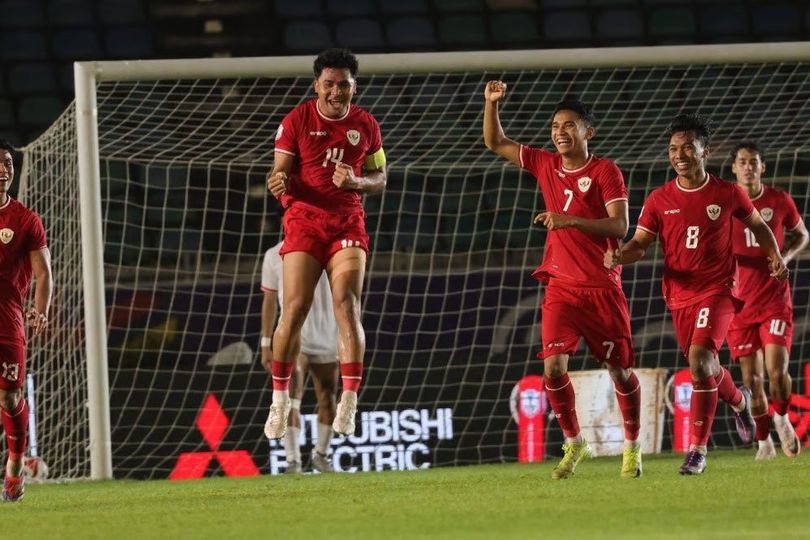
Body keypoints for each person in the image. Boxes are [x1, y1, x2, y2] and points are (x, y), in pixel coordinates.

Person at [604, 114, 787, 475]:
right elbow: (641, 244)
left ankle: (697, 451)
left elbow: (759, 226)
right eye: (673, 148)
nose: (680, 154)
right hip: (679, 294)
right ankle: (740, 400)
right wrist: (620, 254)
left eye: (688, 146)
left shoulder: (727, 192)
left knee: (700, 362)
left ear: (706, 150)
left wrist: (774, 255)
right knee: (709, 367)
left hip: (719, 290)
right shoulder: (659, 199)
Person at [483, 82, 643, 480]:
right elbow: (495, 142)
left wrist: (570, 220)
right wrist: (491, 104)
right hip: (561, 287)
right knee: (553, 368)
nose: (559, 132)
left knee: (620, 372)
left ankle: (632, 446)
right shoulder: (544, 164)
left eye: (569, 125)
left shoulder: (606, 171)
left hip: (602, 288)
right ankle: (574, 442)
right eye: (555, 125)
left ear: (589, 132)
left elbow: (621, 226)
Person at [264, 48, 386, 440]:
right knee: (295, 308)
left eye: (344, 85)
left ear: (355, 86)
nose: (337, 91)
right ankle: (279, 402)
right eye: (329, 84)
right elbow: (280, 174)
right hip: (304, 220)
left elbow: (380, 177)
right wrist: (278, 182)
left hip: (347, 220)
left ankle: (349, 401)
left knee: (347, 306)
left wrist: (356, 182)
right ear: (317, 84)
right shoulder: (295, 120)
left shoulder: (367, 125)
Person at [726, 141, 808, 460]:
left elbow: (803, 235)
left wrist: (785, 256)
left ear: (763, 167)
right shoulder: (723, 203)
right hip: (738, 305)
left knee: (777, 371)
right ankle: (764, 442)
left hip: (774, 299)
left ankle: (782, 417)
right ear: (733, 168)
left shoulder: (778, 200)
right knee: (752, 380)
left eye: (754, 162)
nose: (748, 167)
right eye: (742, 162)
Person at [0, 140, 53, 501]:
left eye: (7, 164)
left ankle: (16, 463)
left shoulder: (25, 219)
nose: (4, 169)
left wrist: (41, 308)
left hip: (7, 321)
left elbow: (44, 272)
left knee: (9, 395)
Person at [261, 241, 339, 473]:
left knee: (329, 399)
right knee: (290, 398)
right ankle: (293, 461)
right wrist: (266, 343)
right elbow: (269, 299)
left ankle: (321, 456)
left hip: (328, 335)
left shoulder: (331, 248)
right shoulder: (274, 254)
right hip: (296, 336)